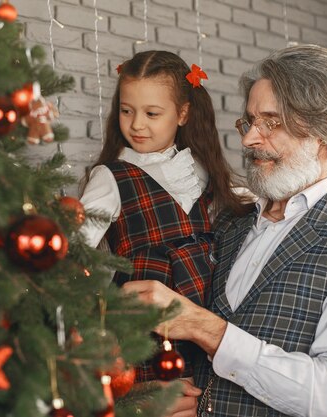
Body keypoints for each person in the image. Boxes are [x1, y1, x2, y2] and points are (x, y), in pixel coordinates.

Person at [124, 44, 327, 417]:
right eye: (249, 121)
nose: (248, 139)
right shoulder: (229, 222)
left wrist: (205, 328)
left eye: (271, 122)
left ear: (324, 131)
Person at [79, 50, 249, 383]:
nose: (136, 124)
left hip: (204, 315)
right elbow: (76, 251)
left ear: (183, 113)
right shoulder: (112, 177)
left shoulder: (200, 169)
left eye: (152, 113)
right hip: (144, 321)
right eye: (126, 111)